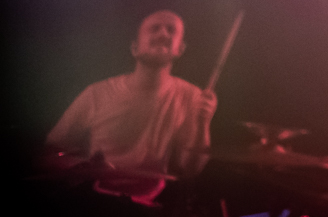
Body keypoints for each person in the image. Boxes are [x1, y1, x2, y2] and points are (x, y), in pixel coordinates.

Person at [46, 10, 217, 194]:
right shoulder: (96, 94)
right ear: (135, 48)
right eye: (154, 28)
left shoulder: (192, 97)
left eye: (171, 30)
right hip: (97, 198)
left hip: (150, 202)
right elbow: (51, 152)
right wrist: (84, 166)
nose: (163, 34)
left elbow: (190, 169)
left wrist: (203, 123)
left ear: (180, 49)